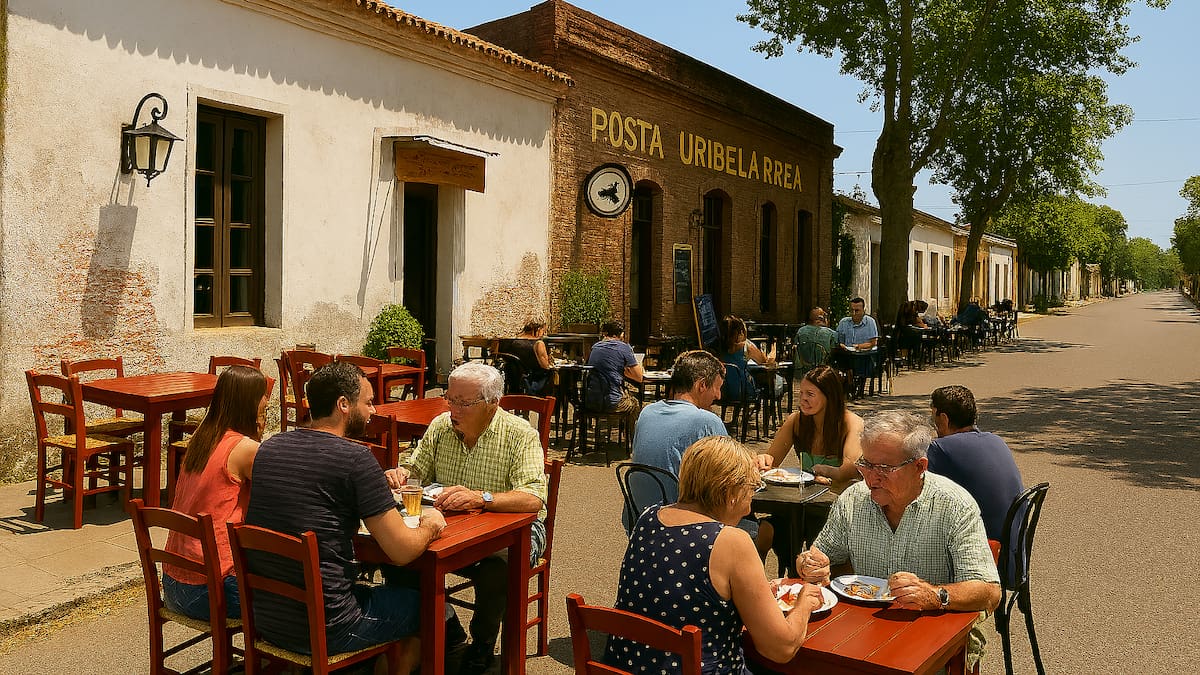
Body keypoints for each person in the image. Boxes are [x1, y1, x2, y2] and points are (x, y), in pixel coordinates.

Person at [246, 361, 445, 672]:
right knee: (430, 606)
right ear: (343, 404)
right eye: (367, 402)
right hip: (330, 624)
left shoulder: (269, 448)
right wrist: (430, 525)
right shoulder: (355, 459)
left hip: (267, 616)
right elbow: (402, 550)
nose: (373, 411)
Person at [798, 410, 1001, 670]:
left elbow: (989, 593)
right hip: (860, 634)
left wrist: (935, 595)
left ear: (919, 467)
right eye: (866, 464)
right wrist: (810, 564)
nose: (871, 478)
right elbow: (820, 556)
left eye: (884, 468)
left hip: (933, 640)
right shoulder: (853, 499)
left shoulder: (954, 505)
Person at [604, 436, 825, 673]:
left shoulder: (648, 517)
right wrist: (805, 603)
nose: (751, 504)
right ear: (731, 491)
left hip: (625, 666)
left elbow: (678, 599)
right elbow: (780, 648)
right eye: (752, 488)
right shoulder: (730, 541)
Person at [389, 361, 547, 673]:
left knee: (499, 566)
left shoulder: (519, 435)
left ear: (492, 404)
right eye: (450, 399)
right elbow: (417, 471)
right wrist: (402, 473)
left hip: (517, 529)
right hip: (454, 526)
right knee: (397, 554)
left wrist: (482, 498)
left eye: (464, 403)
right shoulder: (440, 426)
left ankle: (483, 644)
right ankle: (446, 632)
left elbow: (533, 499)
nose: (453, 409)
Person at [626, 350, 774, 554]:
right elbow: (737, 473)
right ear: (701, 385)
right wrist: (755, 463)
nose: (719, 396)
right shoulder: (705, 421)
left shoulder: (647, 412)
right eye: (717, 388)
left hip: (639, 521)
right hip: (683, 527)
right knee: (762, 528)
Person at [163, 365, 269, 621]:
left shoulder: (202, 437)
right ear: (250, 405)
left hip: (173, 585)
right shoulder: (245, 449)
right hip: (211, 588)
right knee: (292, 601)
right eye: (264, 407)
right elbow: (278, 494)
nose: (266, 407)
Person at [763, 365, 863, 572]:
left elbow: (850, 469)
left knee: (818, 545)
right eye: (801, 394)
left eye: (810, 394)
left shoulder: (850, 423)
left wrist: (824, 472)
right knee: (766, 529)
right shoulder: (797, 421)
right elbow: (771, 461)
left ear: (830, 396)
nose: (803, 400)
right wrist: (763, 459)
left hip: (834, 505)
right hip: (800, 503)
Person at [928, 385, 1025, 547]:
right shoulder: (996, 441)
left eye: (933, 417)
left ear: (944, 418)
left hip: (980, 550)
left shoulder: (940, 449)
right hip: (1012, 551)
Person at [585, 319, 644, 438]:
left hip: (590, 400)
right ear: (621, 334)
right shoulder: (624, 347)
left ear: (605, 334)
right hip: (609, 402)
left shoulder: (595, 347)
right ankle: (633, 441)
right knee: (635, 404)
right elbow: (639, 377)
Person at [719, 315, 782, 402]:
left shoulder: (718, 348)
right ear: (740, 332)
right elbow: (765, 362)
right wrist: (773, 351)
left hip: (722, 393)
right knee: (779, 380)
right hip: (744, 392)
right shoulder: (746, 346)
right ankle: (771, 411)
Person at [834, 297, 878, 397]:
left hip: (862, 354)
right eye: (852, 310)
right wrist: (841, 345)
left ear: (863, 310)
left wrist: (859, 346)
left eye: (857, 311)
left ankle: (857, 385)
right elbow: (837, 339)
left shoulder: (870, 322)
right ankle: (847, 383)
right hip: (846, 354)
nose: (854, 313)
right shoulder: (844, 322)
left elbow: (873, 342)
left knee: (861, 361)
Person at [510, 319, 552, 395]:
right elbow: (546, 366)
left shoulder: (514, 341)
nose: (543, 334)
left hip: (514, 382)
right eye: (543, 331)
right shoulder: (538, 343)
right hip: (533, 382)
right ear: (538, 329)